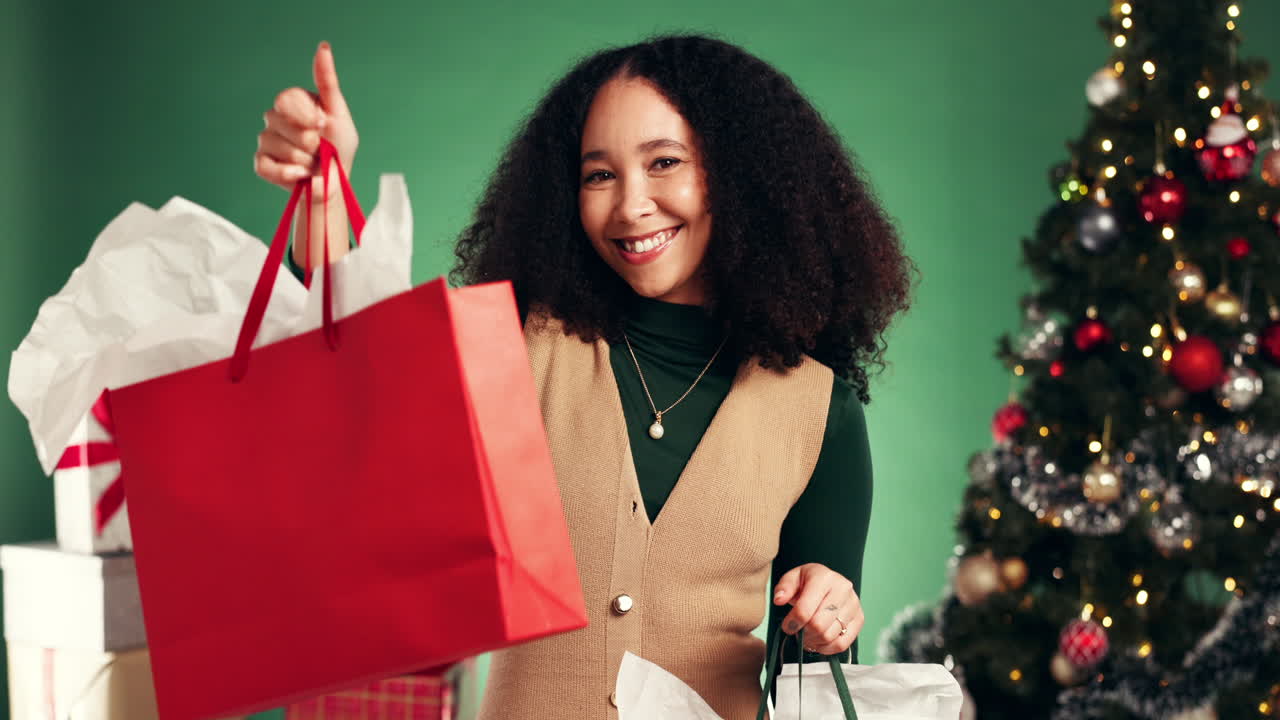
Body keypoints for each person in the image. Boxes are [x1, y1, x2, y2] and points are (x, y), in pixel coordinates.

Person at [254, 35, 915, 719]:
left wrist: (826, 622)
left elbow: (817, 687)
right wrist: (323, 200)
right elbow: (351, 381)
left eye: (664, 163)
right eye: (599, 175)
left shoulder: (819, 409)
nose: (630, 206)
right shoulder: (514, 343)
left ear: (740, 176)